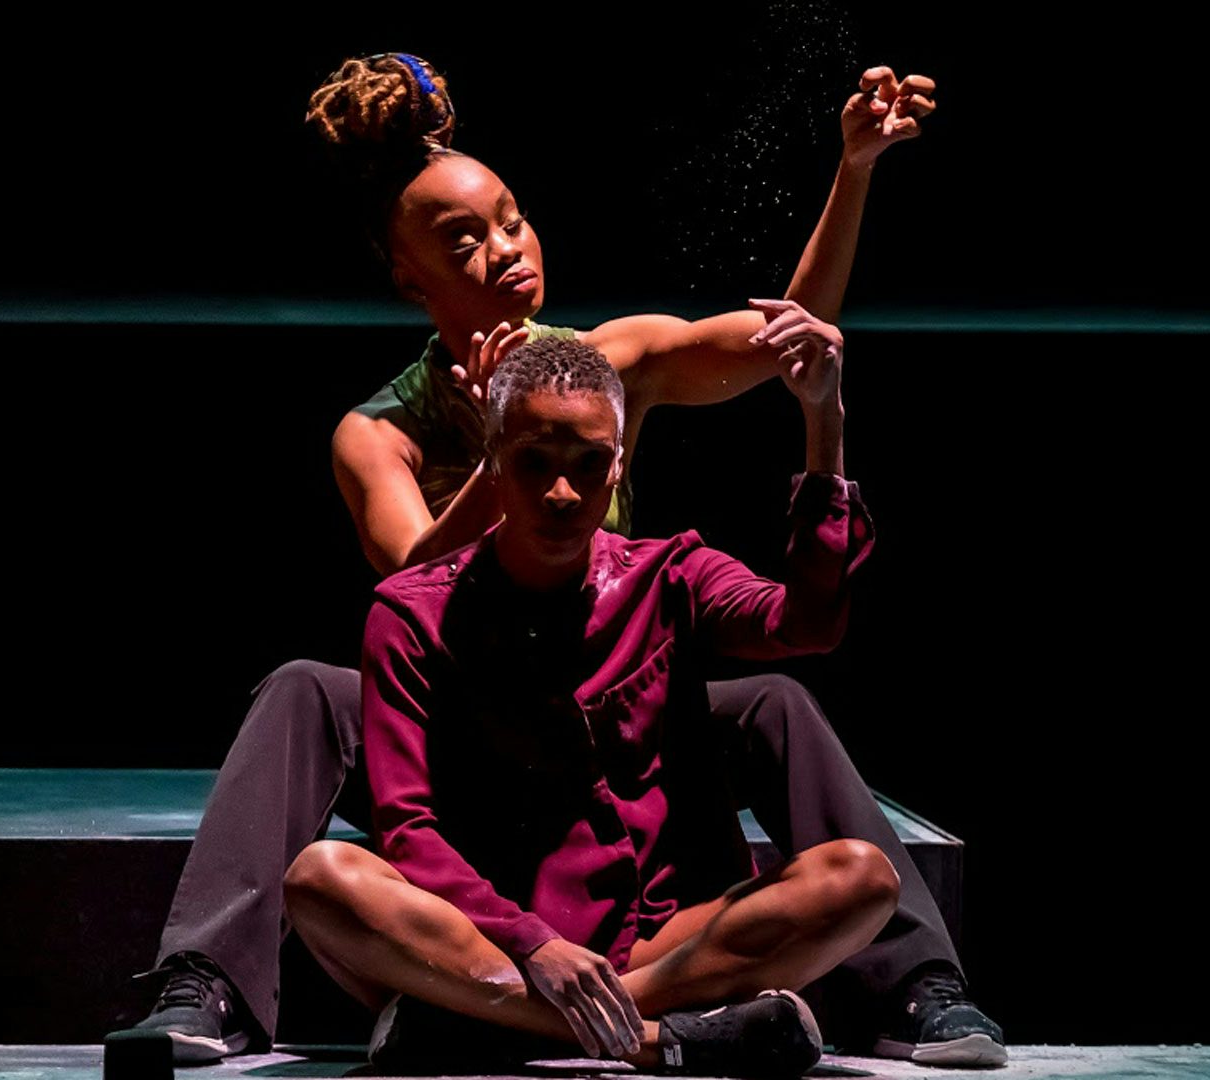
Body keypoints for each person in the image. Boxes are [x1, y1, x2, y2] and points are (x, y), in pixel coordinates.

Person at [106, 51, 1005, 1069]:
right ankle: (207, 981)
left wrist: (854, 170)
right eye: (463, 241)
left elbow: (786, 340)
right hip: (465, 723)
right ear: (409, 277)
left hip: (605, 700)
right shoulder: (378, 432)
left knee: (775, 703)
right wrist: (502, 447)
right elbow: (414, 589)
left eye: (512, 221)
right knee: (304, 692)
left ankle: (916, 986)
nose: (504, 251)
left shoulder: (606, 365)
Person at [286, 323, 889, 1077]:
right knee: (322, 880)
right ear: (493, 463)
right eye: (534, 462)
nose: (562, 493)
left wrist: (823, 421)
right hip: (489, 941)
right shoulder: (411, 613)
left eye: (588, 464)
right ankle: (659, 1041)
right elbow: (408, 832)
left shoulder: (669, 574)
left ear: (618, 465)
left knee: (861, 878)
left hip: (656, 947)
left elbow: (806, 624)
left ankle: (507, 1029)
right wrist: (532, 942)